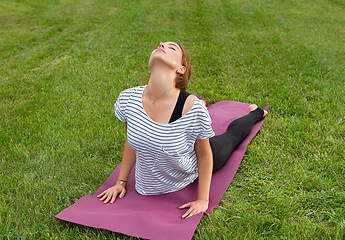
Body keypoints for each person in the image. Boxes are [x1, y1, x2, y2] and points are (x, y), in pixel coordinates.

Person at [97, 42, 268, 219]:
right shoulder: (128, 99)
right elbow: (132, 142)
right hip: (145, 184)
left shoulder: (193, 110)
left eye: (172, 48)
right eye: (161, 44)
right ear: (149, 68)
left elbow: (204, 155)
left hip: (192, 165)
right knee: (192, 111)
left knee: (232, 137)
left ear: (181, 69)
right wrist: (120, 182)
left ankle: (256, 113)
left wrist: (203, 199)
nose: (162, 44)